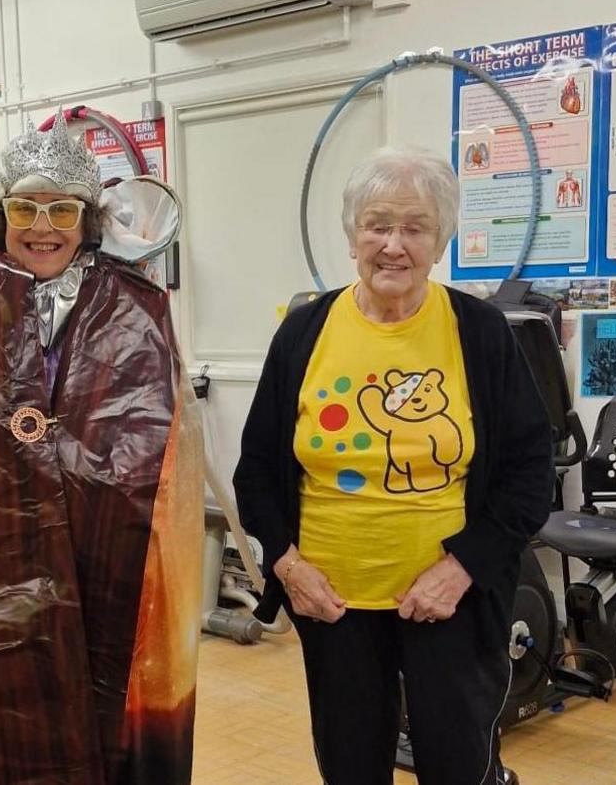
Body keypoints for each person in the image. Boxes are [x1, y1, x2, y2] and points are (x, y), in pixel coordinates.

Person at [234, 145, 552, 785]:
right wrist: (288, 565)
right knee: (350, 766)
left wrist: (461, 569)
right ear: (353, 234)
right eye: (378, 225)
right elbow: (256, 472)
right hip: (333, 604)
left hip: (450, 603)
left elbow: (529, 473)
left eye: (416, 227)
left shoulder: (481, 332)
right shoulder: (305, 332)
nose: (394, 245)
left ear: (441, 240)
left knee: (459, 765)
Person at [0, 114, 203, 784]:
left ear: (87, 219)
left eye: (62, 209)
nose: (42, 226)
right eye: (25, 207)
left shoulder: (135, 303)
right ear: (0, 216)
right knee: (7, 690)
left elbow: (158, 431)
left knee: (109, 685)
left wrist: (67, 474)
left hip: (108, 543)